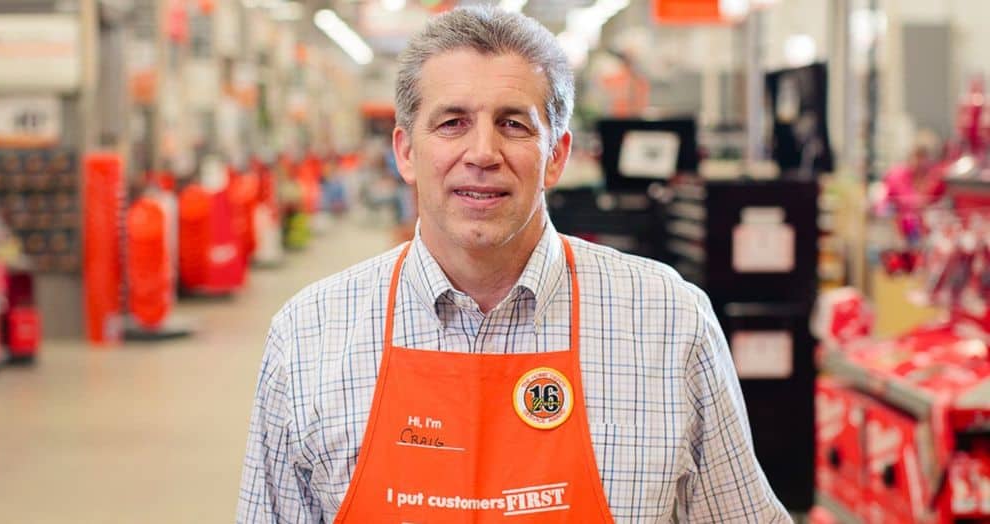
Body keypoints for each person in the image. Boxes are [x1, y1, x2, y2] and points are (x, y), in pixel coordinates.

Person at [238, 6, 788, 523]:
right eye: (452, 122)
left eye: (514, 124)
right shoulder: (309, 334)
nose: (482, 152)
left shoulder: (669, 321)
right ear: (405, 152)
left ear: (556, 155)